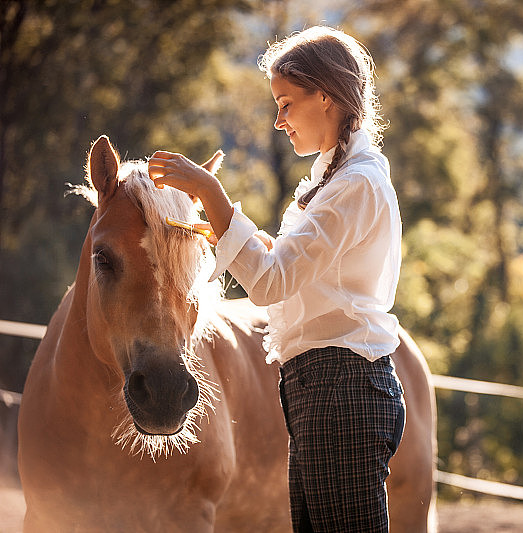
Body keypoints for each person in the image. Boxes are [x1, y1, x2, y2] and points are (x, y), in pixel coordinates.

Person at [148, 26, 405, 533]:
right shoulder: (331, 179)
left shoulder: (355, 185)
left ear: (325, 96)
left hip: (343, 385)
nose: (279, 120)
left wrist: (212, 192)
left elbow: (271, 283)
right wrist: (215, 218)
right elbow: (292, 263)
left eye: (287, 103)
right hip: (318, 385)